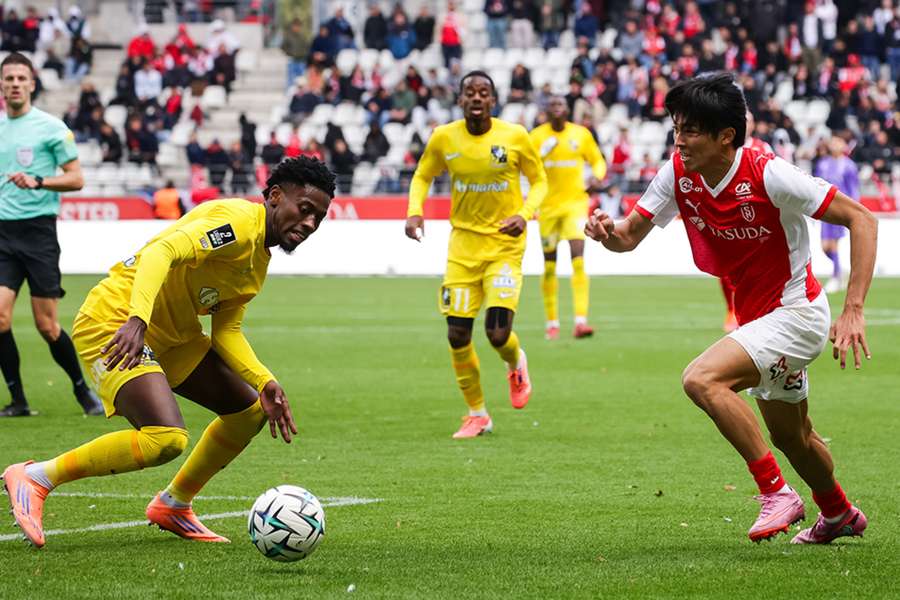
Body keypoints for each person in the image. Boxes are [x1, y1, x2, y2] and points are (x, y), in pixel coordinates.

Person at [585, 73, 877, 545]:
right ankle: (839, 512)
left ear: (727, 136)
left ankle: (775, 491)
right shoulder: (676, 172)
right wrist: (606, 233)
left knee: (702, 379)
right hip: (761, 319)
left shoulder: (768, 172)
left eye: (691, 131)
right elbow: (628, 237)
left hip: (797, 313)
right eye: (677, 129)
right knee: (793, 437)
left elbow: (861, 219)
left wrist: (854, 308)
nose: (680, 141)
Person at [2, 156, 335, 548]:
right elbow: (162, 253)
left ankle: (174, 504)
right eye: (305, 209)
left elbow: (226, 330)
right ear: (276, 196)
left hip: (172, 334)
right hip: (115, 320)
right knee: (165, 438)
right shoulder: (237, 225)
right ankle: (36, 476)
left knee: (248, 412)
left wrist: (265, 380)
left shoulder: (256, 260)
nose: (310, 223)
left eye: (319, 218)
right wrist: (137, 319)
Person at [405, 71, 547, 439]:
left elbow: (540, 180)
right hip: (463, 247)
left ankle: (516, 361)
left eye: (484, 92)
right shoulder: (444, 137)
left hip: (504, 245)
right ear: (461, 99)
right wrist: (414, 210)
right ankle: (477, 414)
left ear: (494, 100)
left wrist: (525, 213)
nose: (477, 98)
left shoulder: (515, 136)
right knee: (456, 334)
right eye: (470, 92)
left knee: (498, 334)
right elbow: (423, 175)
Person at [0, 52, 103, 417]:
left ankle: (82, 390)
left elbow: (76, 178)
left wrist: (39, 181)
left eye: (20, 78)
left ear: (31, 84)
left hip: (38, 233)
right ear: (1, 84)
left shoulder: (51, 127)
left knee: (47, 325)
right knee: (0, 318)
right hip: (2, 236)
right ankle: (18, 400)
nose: (14, 84)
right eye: (8, 78)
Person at [529, 95, 607, 340]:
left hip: (574, 205)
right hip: (548, 209)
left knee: (578, 261)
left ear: (567, 110)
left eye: (560, 105)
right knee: (549, 266)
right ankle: (552, 322)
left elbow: (598, 161)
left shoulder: (580, 135)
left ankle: (580, 322)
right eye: (552, 105)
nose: (556, 109)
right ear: (547, 112)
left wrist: (596, 176)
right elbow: (526, 166)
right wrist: (541, 153)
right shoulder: (537, 137)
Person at [720, 110, 774, 332]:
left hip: (757, 218)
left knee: (760, 268)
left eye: (748, 120)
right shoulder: (725, 147)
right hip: (729, 216)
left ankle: (761, 312)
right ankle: (732, 310)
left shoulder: (763, 148)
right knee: (724, 267)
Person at [814, 136, 860, 294]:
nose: (834, 145)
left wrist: (853, 209)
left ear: (844, 145)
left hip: (840, 208)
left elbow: (853, 189)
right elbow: (815, 185)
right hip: (824, 207)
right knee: (824, 247)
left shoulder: (849, 166)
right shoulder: (822, 163)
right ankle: (839, 271)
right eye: (832, 142)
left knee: (832, 244)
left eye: (838, 142)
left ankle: (836, 276)